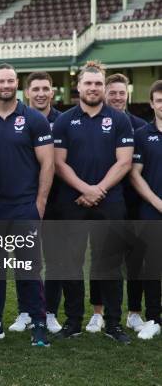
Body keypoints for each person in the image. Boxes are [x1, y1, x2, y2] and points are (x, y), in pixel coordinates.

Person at [53, 61, 133, 343]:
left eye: (98, 83)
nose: (93, 88)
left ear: (104, 87)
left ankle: (113, 323)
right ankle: (73, 321)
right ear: (78, 87)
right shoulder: (63, 120)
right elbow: (59, 164)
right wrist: (85, 189)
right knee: (70, 263)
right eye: (88, 83)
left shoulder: (119, 119)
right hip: (72, 202)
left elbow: (124, 162)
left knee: (110, 263)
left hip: (110, 201)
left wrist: (98, 189)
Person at [0, 63, 54, 347]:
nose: (6, 85)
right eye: (1, 81)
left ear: (17, 84)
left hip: (24, 205)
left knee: (29, 267)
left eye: (10, 81)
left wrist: (40, 203)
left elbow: (47, 163)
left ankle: (38, 322)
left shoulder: (34, 119)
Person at [100, 73, 148, 334]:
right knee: (103, 258)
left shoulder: (140, 127)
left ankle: (134, 312)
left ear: (127, 94)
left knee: (135, 259)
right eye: (113, 92)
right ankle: (98, 312)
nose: (117, 97)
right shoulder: (99, 124)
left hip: (134, 203)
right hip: (107, 200)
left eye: (122, 92)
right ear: (106, 93)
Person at [20, 71, 64, 334]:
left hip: (57, 199)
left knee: (54, 258)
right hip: (26, 200)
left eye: (45, 88)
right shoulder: (21, 117)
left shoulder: (63, 121)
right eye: (35, 88)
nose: (40, 93)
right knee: (27, 259)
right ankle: (27, 311)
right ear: (27, 92)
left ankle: (49, 312)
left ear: (52, 92)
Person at [129, 80, 162, 340]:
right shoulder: (141, 134)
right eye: (159, 100)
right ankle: (153, 317)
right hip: (151, 211)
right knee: (151, 266)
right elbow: (135, 175)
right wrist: (156, 201)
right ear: (151, 103)